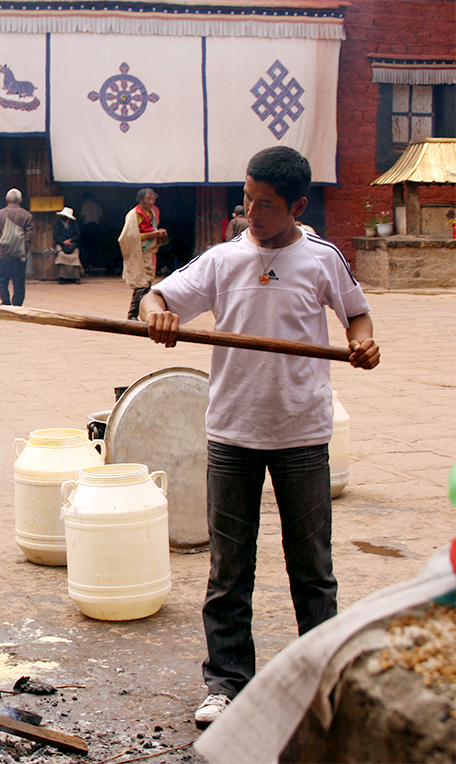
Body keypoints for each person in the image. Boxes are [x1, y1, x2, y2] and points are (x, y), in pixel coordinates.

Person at [139, 146, 380, 730]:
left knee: (312, 569)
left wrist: (363, 342)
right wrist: (158, 313)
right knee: (228, 571)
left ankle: (322, 680)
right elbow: (159, 296)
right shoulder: (222, 260)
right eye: (246, 198)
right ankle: (226, 683)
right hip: (231, 434)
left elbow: (357, 315)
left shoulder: (322, 259)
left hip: (301, 434)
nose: (251, 211)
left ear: (297, 205)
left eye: (265, 204)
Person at [119, 188, 167, 321]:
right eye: (148, 199)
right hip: (139, 251)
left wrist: (158, 234)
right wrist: (152, 234)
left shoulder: (153, 212)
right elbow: (130, 236)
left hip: (150, 251)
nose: (151, 202)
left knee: (147, 282)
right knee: (141, 282)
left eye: (153, 199)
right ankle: (133, 313)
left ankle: (136, 312)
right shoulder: (134, 214)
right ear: (140, 200)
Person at [0, 189, 33, 306]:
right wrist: (23, 248)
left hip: (4, 253)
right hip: (19, 254)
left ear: (7, 200)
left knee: (3, 280)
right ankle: (17, 304)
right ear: (21, 200)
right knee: (19, 280)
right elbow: (29, 235)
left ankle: (5, 302)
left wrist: (4, 244)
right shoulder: (26, 215)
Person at [52, 207, 84, 285]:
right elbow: (56, 236)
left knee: (75, 256)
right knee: (61, 255)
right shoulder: (57, 224)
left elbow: (77, 235)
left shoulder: (74, 224)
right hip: (61, 244)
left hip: (72, 244)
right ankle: (62, 277)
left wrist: (70, 240)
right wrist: (63, 242)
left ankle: (76, 277)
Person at [79, 192, 103, 270]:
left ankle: (89, 264)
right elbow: (101, 218)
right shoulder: (97, 205)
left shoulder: (84, 205)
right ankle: (95, 263)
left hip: (87, 227)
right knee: (95, 246)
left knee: (87, 246)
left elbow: (82, 216)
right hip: (96, 226)